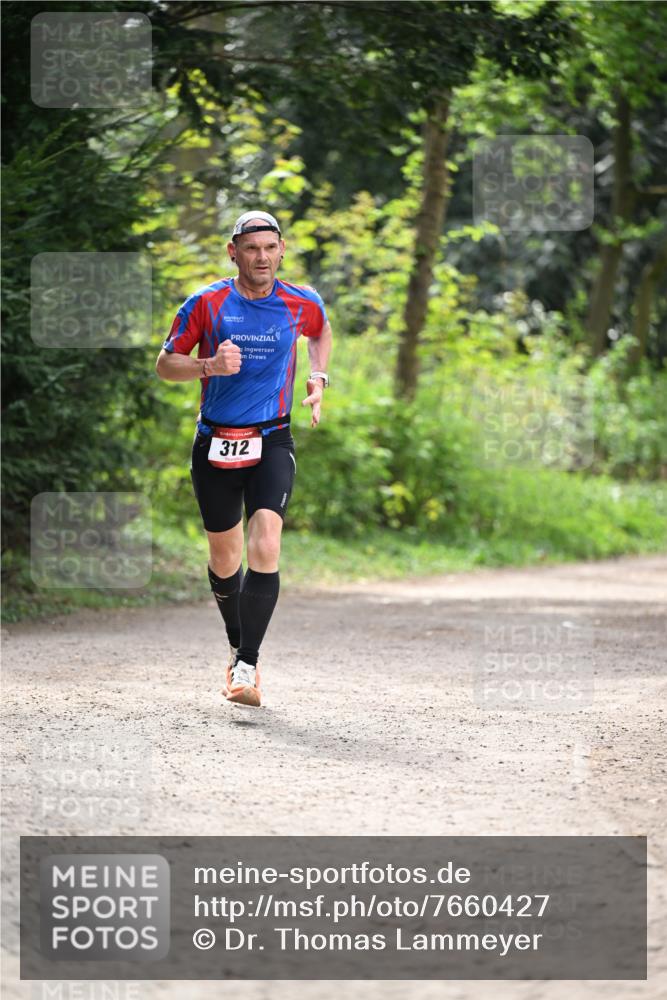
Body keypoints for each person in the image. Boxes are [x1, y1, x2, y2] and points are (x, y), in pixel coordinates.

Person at [155, 210, 332, 707]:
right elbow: (165, 364)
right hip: (214, 440)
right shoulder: (207, 302)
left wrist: (319, 379)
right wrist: (208, 364)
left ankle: (248, 666)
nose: (262, 257)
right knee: (224, 557)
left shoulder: (301, 302)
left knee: (266, 541)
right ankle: (237, 649)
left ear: (281, 250)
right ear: (234, 252)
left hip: (272, 438)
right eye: (251, 248)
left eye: (270, 248)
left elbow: (320, 332)